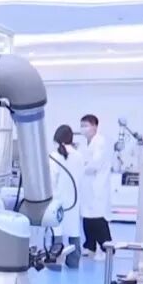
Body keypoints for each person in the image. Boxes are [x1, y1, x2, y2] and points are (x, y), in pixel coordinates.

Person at [79, 114, 113, 259]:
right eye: (82, 126)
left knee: (98, 219)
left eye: (86, 125)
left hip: (97, 186)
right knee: (87, 218)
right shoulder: (85, 144)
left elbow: (95, 164)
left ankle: (107, 249)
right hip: (87, 187)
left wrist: (83, 166)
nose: (83, 129)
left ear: (95, 126)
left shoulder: (100, 142)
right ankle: (90, 246)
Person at [50, 125, 84, 268]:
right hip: (74, 200)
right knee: (74, 231)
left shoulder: (54, 156)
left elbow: (51, 180)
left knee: (57, 230)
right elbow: (80, 178)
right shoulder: (79, 156)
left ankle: (55, 262)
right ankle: (73, 262)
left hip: (57, 201)